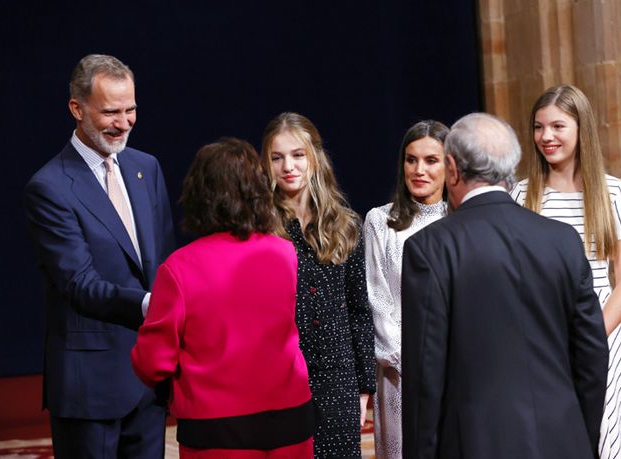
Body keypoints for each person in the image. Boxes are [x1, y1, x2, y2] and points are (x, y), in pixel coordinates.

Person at [401, 112, 609, 459]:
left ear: (451, 168)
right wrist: (580, 437)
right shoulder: (563, 240)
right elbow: (592, 353)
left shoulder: (429, 249)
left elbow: (426, 374)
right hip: (564, 439)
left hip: (476, 445)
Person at [24, 54, 176, 458]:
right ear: (77, 108)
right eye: (111, 111)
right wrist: (152, 305)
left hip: (149, 381)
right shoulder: (50, 187)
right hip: (89, 389)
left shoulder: (147, 168)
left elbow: (163, 263)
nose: (124, 122)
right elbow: (78, 282)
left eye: (131, 110)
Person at [131, 138, 316, 458]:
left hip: (215, 430)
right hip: (290, 420)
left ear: (200, 195)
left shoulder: (178, 269)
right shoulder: (285, 253)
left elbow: (152, 363)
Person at [510, 84, 621, 459]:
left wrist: (585, 339)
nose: (546, 137)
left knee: (607, 440)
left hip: (598, 333)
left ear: (580, 128)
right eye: (539, 128)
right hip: (540, 339)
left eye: (557, 126)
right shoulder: (521, 196)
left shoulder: (612, 193)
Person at [261, 112, 376, 459]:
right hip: (278, 376)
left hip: (337, 379)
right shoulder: (260, 226)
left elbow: (359, 310)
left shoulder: (344, 224)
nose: (288, 166)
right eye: (277, 157)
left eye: (297, 155)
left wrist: (363, 389)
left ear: (314, 158)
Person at [363, 120, 449, 458]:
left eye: (431, 160)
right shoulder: (380, 221)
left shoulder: (462, 222)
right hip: (401, 372)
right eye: (411, 160)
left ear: (449, 164)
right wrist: (409, 361)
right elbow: (377, 296)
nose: (419, 170)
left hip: (455, 368)